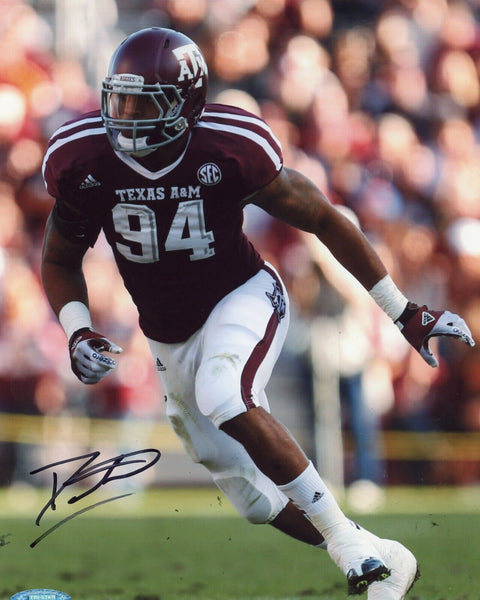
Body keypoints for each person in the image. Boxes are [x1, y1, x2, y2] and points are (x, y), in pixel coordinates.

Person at [41, 28, 474, 599]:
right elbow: (60, 258)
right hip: (168, 334)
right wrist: (77, 332)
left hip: (242, 295)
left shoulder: (228, 145)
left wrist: (403, 311)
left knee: (225, 393)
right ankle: (382, 555)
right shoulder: (83, 157)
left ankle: (348, 549)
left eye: (145, 104)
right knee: (251, 499)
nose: (127, 118)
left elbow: (323, 218)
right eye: (120, 100)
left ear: (187, 104)